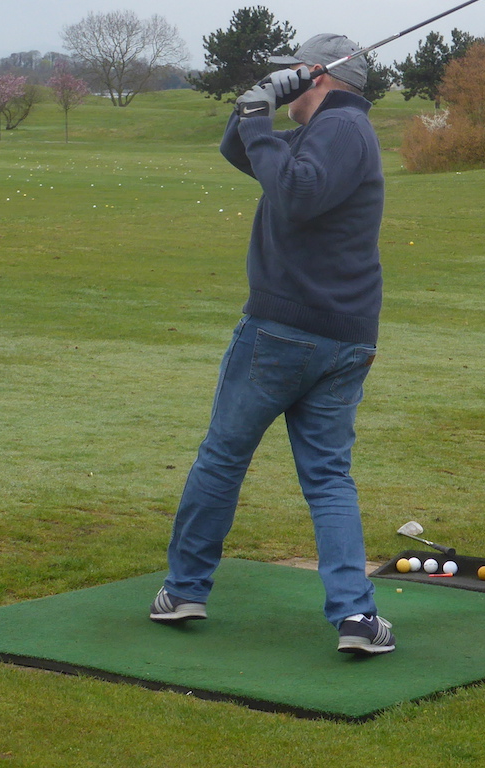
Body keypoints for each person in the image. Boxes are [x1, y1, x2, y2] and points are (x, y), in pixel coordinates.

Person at [151, 34, 393, 655]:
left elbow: (295, 194)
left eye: (291, 71)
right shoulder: (330, 133)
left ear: (319, 75)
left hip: (286, 333)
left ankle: (184, 590)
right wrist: (252, 109)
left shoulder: (339, 131)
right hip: (343, 338)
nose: (281, 79)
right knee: (328, 477)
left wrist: (262, 112)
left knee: (224, 459)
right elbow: (244, 154)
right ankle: (356, 619)